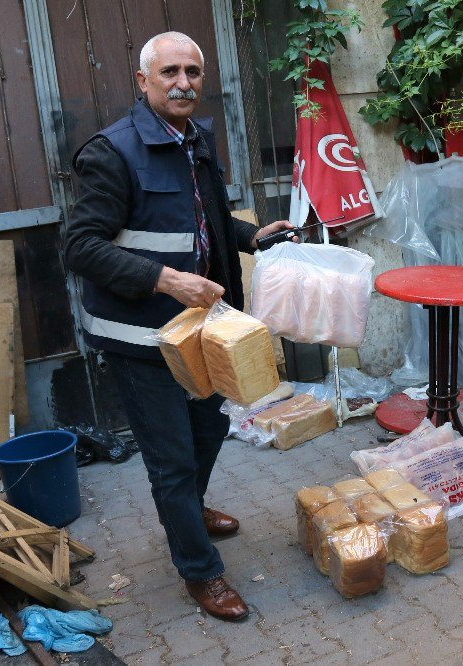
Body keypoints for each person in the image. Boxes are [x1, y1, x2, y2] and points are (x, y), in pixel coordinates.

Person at [64, 31, 294, 622]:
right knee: (171, 458)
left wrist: (249, 236)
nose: (184, 82)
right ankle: (200, 570)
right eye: (169, 72)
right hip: (142, 340)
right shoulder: (110, 153)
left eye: (193, 71)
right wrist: (166, 280)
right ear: (143, 82)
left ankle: (187, 511)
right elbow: (81, 247)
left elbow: (204, 218)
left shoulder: (195, 138)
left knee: (208, 432)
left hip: (202, 330)